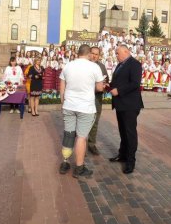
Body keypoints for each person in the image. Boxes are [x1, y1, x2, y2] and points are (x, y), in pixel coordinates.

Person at [59, 44, 104, 178]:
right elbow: (100, 88)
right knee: (81, 137)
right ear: (89, 54)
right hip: (85, 107)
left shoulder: (68, 66)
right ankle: (79, 167)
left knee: (68, 134)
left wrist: (63, 103)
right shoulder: (94, 67)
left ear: (78, 53)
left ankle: (65, 162)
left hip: (69, 105)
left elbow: (62, 87)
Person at [109, 44, 144, 174]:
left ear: (125, 51)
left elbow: (135, 83)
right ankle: (122, 155)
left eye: (118, 53)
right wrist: (110, 85)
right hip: (120, 104)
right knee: (123, 131)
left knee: (130, 134)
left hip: (130, 104)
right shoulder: (120, 64)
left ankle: (130, 161)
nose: (116, 55)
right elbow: (119, 81)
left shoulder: (134, 64)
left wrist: (119, 90)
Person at [88, 46, 109, 155]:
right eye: (92, 53)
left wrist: (105, 85)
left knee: (95, 121)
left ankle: (91, 144)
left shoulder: (101, 66)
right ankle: (80, 143)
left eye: (96, 54)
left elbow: (106, 80)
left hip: (97, 97)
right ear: (88, 53)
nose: (94, 56)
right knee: (83, 121)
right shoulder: (84, 65)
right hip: (85, 97)